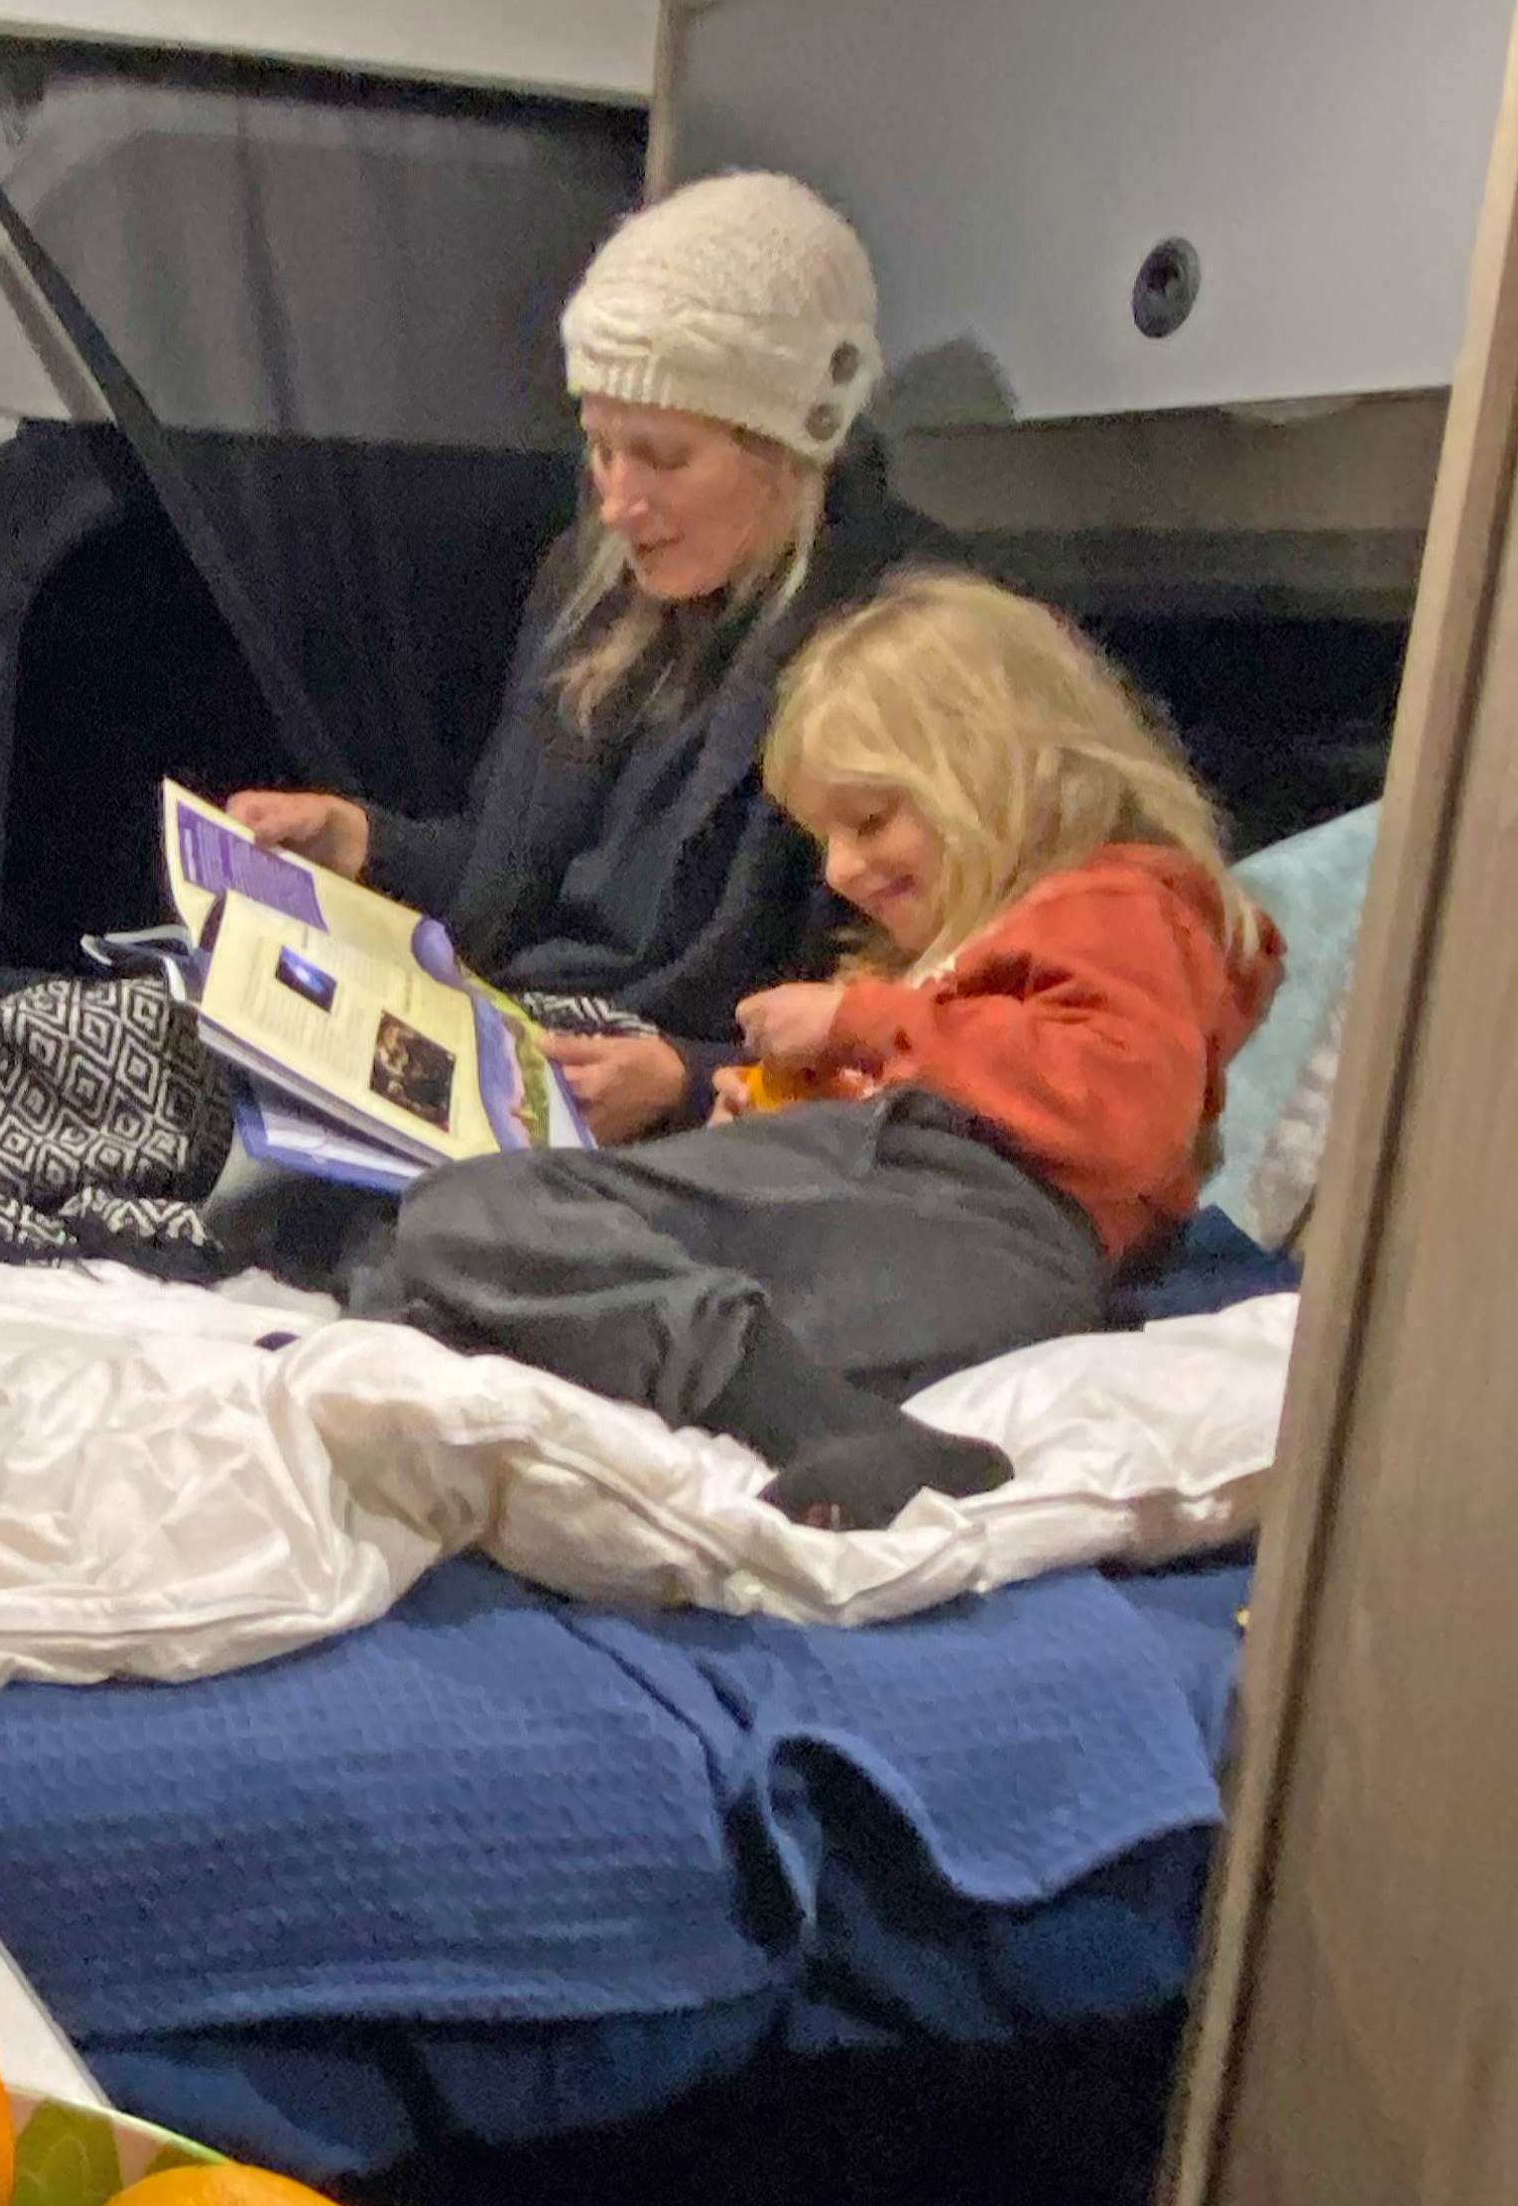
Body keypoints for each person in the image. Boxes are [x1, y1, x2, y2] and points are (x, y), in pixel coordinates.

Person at [360, 576, 1285, 1530]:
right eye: (827, 837)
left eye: (872, 820)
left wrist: (859, 1026)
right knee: (414, 1281)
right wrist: (782, 1113)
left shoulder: (1117, 904)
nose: (841, 870)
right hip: (936, 1251)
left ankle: (796, 1415)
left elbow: (1122, 1108)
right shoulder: (957, 959)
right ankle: (810, 1412)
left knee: (473, 1210)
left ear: (998, 770)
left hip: (984, 1221)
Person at [229, 167, 944, 1146]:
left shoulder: (903, 637)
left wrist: (691, 1082)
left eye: (661, 456)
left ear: (790, 443)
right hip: (494, 1026)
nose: (618, 501)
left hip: (647, 1094)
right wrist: (362, 844)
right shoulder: (592, 587)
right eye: (601, 450)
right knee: (130, 1028)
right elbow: (501, 888)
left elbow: (935, 1007)